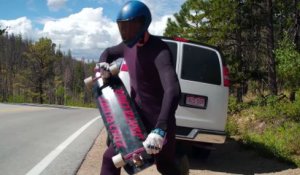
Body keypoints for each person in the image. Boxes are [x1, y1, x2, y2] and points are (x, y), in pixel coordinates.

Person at [98, 1, 181, 175]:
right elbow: (107, 51)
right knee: (110, 159)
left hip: (160, 123)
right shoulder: (128, 47)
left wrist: (160, 129)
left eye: (130, 27)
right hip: (135, 122)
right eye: (123, 27)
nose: (126, 33)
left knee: (165, 166)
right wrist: (103, 64)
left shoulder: (159, 50)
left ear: (143, 24)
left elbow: (173, 90)